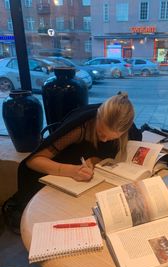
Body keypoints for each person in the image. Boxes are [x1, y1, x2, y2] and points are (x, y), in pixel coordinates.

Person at [2, 92, 142, 234]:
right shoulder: (80, 127)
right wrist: (70, 171)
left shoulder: (129, 130)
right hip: (54, 176)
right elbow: (33, 161)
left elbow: (109, 152)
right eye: (101, 133)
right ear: (97, 117)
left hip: (89, 181)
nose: (105, 140)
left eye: (112, 138)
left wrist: (95, 160)